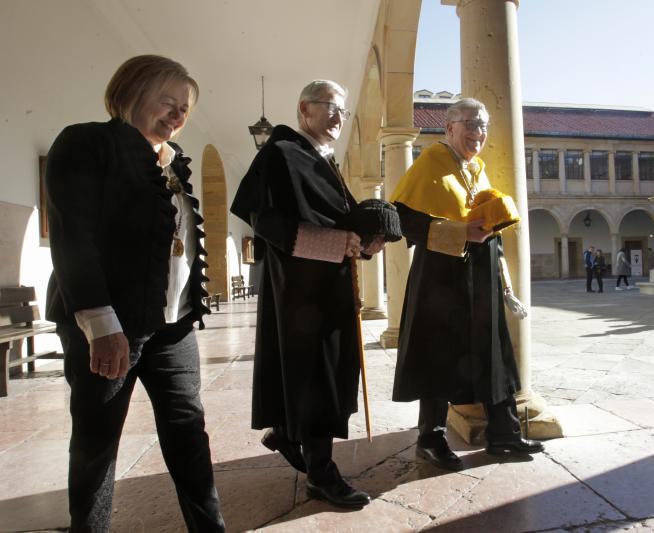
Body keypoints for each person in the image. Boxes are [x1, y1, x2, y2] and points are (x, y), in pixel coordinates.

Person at [44, 55, 225, 532]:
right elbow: (73, 240)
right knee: (97, 443)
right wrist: (102, 327)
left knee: (189, 432)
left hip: (172, 326)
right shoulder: (88, 143)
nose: (177, 114)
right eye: (167, 101)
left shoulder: (173, 162)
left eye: (184, 107)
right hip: (109, 325)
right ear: (129, 93)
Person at [230, 80, 384, 509]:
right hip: (302, 297)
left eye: (343, 111)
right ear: (305, 110)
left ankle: (285, 430)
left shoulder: (323, 160)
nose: (338, 117)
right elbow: (267, 223)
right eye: (330, 107)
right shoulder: (282, 154)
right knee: (316, 376)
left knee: (322, 373)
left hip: (328, 290)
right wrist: (344, 244)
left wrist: (372, 238)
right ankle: (321, 474)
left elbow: (342, 224)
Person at [390, 98, 543, 472]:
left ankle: (503, 434)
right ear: (450, 128)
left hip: (480, 276)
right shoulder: (430, 163)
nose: (479, 133)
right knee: (440, 356)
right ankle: (430, 439)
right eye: (471, 124)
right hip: (441, 280)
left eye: (484, 126)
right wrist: (459, 232)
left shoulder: (477, 169)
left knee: (493, 352)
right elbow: (403, 220)